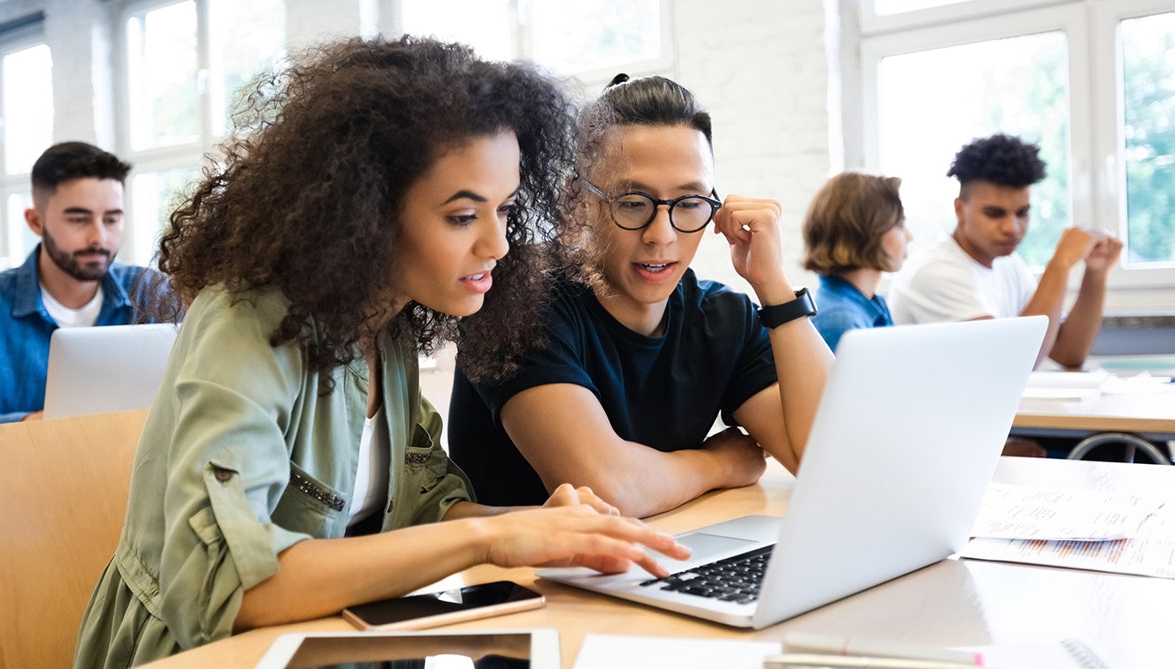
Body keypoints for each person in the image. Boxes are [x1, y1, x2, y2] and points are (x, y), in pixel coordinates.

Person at [73, 37, 689, 669]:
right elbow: (230, 585)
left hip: (345, 650)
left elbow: (423, 502)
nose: (499, 245)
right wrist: (494, 538)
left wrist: (538, 525)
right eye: (461, 216)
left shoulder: (387, 321)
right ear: (365, 211)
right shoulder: (247, 322)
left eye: (504, 210)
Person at [447, 74, 835, 518]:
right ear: (578, 203)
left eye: (689, 202)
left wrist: (774, 288)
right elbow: (608, 490)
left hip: (663, 562)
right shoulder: (516, 304)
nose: (661, 235)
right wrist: (719, 463)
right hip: (523, 582)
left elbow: (831, 461)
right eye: (632, 202)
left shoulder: (723, 318)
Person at [0, 141, 172, 426]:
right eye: (79, 219)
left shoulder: (151, 292)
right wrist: (29, 424)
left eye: (112, 219)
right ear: (35, 222)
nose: (99, 237)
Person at [888, 133, 1122, 369]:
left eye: (1022, 213)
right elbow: (1012, 363)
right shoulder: (935, 272)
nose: (1013, 228)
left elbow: (1066, 353)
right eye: (994, 213)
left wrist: (1096, 274)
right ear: (960, 209)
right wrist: (1060, 262)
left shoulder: (1009, 264)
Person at [801, 171, 911, 351]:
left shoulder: (870, 305)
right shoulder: (840, 320)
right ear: (868, 232)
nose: (909, 236)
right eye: (899, 225)